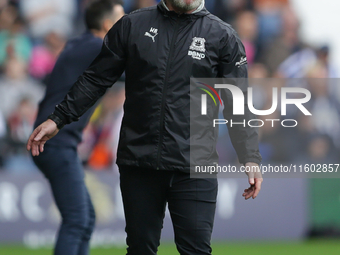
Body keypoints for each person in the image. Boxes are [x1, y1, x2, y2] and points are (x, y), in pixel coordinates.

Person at [27, 1, 263, 254]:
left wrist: (249, 155)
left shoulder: (223, 36)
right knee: (140, 249)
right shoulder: (132, 25)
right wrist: (58, 118)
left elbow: (237, 102)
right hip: (139, 162)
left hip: (195, 166)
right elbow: (96, 78)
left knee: (196, 250)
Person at [29, 1, 124, 254]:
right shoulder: (96, 46)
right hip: (56, 142)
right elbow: (133, 68)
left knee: (85, 218)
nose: (127, 26)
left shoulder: (78, 44)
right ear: (107, 25)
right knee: (77, 220)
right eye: (122, 19)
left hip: (55, 142)